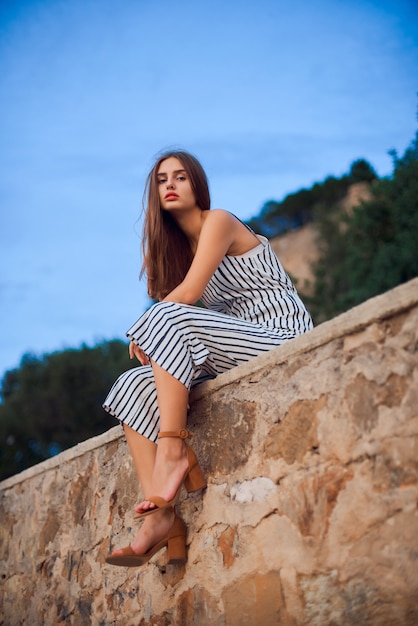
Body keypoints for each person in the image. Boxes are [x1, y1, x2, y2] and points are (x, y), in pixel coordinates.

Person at [103, 149, 313, 567]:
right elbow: (171, 336)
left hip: (279, 334)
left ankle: (174, 451)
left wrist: (144, 327)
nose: (170, 185)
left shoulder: (219, 221)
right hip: (229, 349)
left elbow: (188, 298)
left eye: (180, 177)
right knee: (128, 387)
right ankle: (162, 519)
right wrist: (155, 329)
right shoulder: (173, 255)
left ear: (197, 185)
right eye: (162, 180)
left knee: (164, 317)